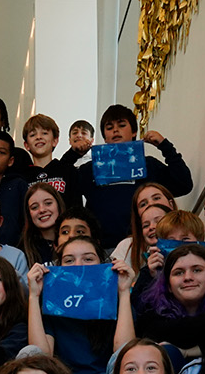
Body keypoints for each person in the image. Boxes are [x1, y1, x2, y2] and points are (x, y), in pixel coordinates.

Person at [25, 236, 135, 374]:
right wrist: (34, 295)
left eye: (88, 259)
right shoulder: (52, 303)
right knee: (29, 353)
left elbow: (124, 352)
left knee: (127, 356)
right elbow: (41, 356)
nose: (78, 266)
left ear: (102, 263)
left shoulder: (116, 299)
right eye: (69, 260)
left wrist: (124, 292)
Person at [72, 105, 194, 246]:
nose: (115, 130)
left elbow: (184, 184)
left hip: (145, 244)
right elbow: (64, 190)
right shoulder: (90, 169)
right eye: (109, 127)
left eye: (122, 125)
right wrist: (73, 155)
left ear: (134, 131)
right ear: (105, 137)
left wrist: (164, 145)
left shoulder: (149, 165)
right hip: (102, 247)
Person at [133, 242, 205, 358]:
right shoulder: (151, 317)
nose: (188, 277)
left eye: (197, 270)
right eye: (179, 272)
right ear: (168, 285)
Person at [20, 112, 80, 197]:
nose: (38, 137)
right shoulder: (22, 178)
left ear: (55, 141)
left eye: (44, 133)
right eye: (33, 135)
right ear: (26, 145)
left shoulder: (68, 171)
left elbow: (76, 207)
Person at [19, 181, 73, 267]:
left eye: (48, 203)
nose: (42, 210)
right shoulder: (22, 252)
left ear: (58, 205)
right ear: (29, 214)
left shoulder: (74, 239)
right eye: (34, 207)